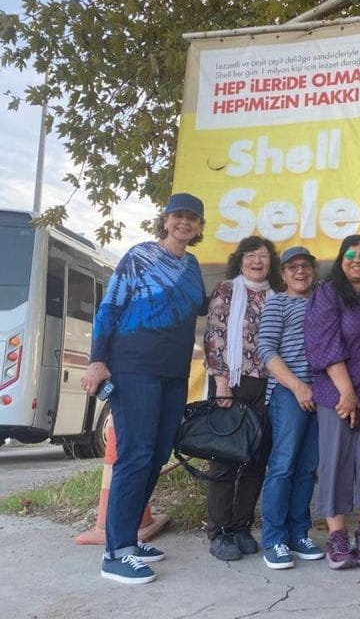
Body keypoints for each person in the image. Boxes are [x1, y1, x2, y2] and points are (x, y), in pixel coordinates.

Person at [81, 193, 206, 584]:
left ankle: (129, 539)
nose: (184, 223)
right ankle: (115, 554)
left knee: (156, 454)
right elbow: (110, 307)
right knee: (135, 455)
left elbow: (198, 306)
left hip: (173, 372)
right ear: (166, 221)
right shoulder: (140, 256)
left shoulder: (193, 266)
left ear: (200, 228)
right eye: (178, 217)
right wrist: (98, 359)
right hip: (135, 368)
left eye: (192, 219)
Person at [304, 235, 360, 570]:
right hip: (336, 392)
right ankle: (338, 535)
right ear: (341, 258)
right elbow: (323, 343)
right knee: (335, 458)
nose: (357, 260)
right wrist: (347, 392)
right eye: (350, 254)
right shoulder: (327, 293)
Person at [203, 236, 281, 561]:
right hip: (231, 383)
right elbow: (214, 336)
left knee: (256, 459)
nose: (257, 261)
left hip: (267, 385)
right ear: (240, 259)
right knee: (224, 458)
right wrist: (221, 384)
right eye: (250, 255)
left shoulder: (277, 296)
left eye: (263, 256)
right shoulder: (227, 290)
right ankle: (219, 531)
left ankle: (240, 526)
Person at [256, 246, 324, 569]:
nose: (300, 272)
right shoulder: (278, 303)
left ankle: (299, 534)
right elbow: (266, 350)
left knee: (308, 467)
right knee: (283, 465)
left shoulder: (323, 300)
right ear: (282, 274)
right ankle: (274, 539)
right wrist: (297, 386)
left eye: (305, 266)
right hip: (288, 394)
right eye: (293, 267)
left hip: (322, 395)